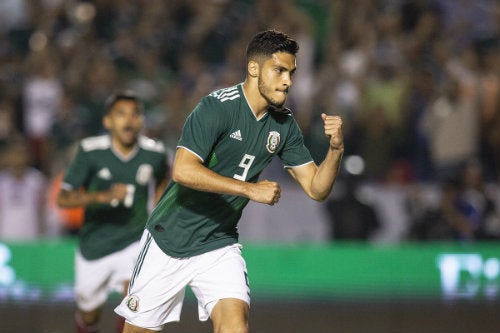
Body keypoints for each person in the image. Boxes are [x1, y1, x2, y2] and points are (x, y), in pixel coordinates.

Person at [115, 29, 344, 333]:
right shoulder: (217, 107)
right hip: (169, 238)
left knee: (235, 325)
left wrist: (336, 150)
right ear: (253, 68)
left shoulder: (284, 125)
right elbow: (183, 171)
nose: (287, 80)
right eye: (279, 70)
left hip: (219, 243)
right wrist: (249, 189)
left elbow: (317, 188)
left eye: (291, 72)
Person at [57, 90, 170, 333]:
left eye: (135, 114)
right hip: (95, 245)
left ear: (141, 120)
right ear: (108, 121)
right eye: (121, 114)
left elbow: (164, 180)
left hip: (134, 239)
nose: (129, 120)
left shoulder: (155, 153)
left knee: (134, 303)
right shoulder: (90, 151)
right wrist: (102, 196)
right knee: (89, 315)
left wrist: (159, 211)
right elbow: (63, 198)